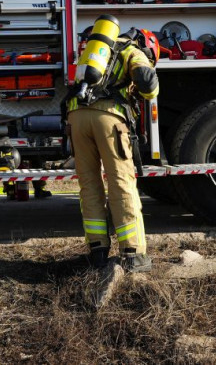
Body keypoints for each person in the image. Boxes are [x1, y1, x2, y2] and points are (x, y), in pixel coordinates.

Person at [66, 27, 160, 272]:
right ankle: (133, 253)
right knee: (121, 182)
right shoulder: (132, 50)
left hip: (76, 118)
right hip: (108, 118)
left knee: (89, 184)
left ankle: (97, 250)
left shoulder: (93, 52)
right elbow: (147, 84)